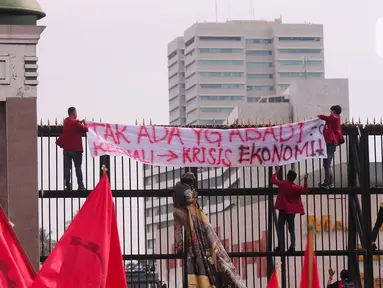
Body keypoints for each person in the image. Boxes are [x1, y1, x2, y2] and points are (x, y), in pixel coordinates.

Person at [271, 166, 308, 252]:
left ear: (287, 176)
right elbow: (305, 190)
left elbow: (273, 180)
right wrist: (305, 180)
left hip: (283, 210)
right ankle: (293, 247)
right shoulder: (296, 187)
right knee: (292, 230)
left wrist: (276, 172)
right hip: (291, 212)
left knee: (280, 228)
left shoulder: (283, 184)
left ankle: (280, 246)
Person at [56, 107, 88, 191]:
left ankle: (68, 186)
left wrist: (79, 122)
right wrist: (85, 123)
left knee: (67, 168)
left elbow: (72, 125)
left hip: (67, 149)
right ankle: (80, 186)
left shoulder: (66, 121)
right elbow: (85, 129)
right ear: (74, 113)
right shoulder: (76, 123)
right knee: (78, 167)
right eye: (76, 113)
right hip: (76, 149)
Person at [318, 105, 344, 190]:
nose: (330, 113)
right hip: (331, 143)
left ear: (333, 111)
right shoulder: (335, 118)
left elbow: (325, 117)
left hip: (330, 142)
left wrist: (319, 115)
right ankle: (329, 183)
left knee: (327, 164)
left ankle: (327, 183)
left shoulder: (335, 117)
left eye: (331, 111)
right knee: (327, 164)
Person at [172, 171, 197, 254]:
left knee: (177, 230)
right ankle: (192, 247)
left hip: (175, 209)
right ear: (190, 181)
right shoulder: (187, 188)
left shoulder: (177, 184)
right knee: (189, 229)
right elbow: (189, 200)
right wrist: (194, 196)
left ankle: (179, 248)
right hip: (182, 211)